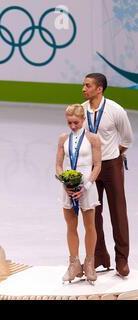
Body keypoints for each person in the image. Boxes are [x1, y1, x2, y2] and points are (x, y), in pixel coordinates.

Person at [82, 73, 134, 277]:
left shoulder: (115, 110)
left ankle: (122, 260)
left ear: (99, 89)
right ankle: (99, 257)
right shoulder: (81, 109)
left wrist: (112, 154)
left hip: (112, 165)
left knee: (118, 213)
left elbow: (127, 138)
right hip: (89, 167)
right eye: (83, 85)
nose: (83, 89)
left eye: (87, 86)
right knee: (93, 213)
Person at [56, 104, 101, 284]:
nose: (73, 126)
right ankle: (74, 263)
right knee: (71, 226)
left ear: (83, 120)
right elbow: (59, 165)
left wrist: (87, 185)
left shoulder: (93, 139)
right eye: (69, 123)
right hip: (69, 186)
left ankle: (89, 263)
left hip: (87, 186)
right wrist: (65, 182)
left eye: (76, 122)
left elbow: (97, 165)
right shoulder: (63, 138)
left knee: (90, 226)